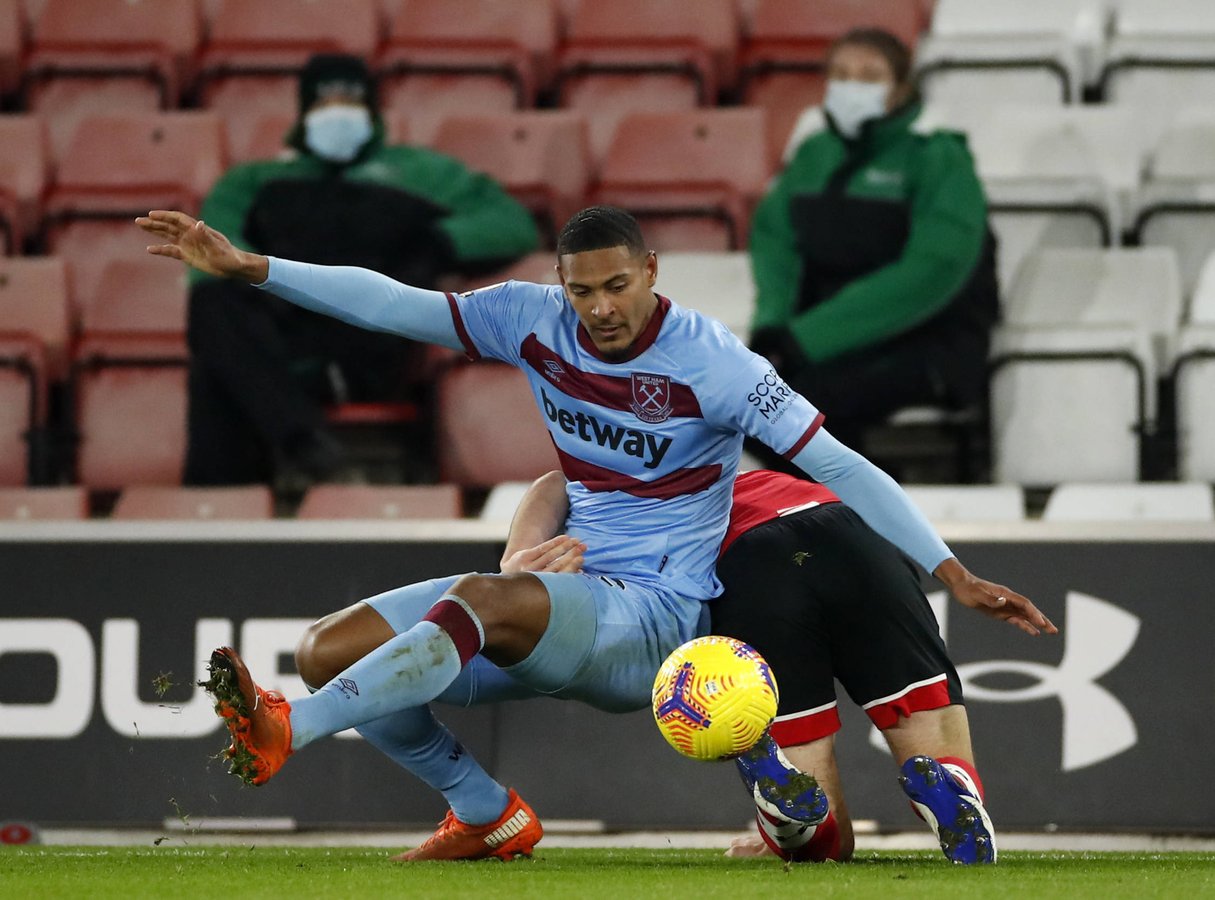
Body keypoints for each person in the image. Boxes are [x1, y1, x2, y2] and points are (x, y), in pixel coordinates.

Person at [136, 205, 1051, 863]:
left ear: (651, 272)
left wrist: (951, 569)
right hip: (567, 594)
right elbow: (392, 303)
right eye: (583, 291)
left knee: (473, 603)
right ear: (561, 285)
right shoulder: (532, 322)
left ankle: (287, 734)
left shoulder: (715, 364)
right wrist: (255, 269)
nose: (601, 308)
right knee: (327, 649)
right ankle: (485, 811)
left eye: (617, 285)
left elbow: (842, 465)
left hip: (657, 616)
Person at [501, 469, 1057, 865]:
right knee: (934, 742)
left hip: (751, 566)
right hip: (852, 533)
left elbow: (551, 484)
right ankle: (952, 785)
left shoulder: (604, 516)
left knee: (828, 844)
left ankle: (792, 820)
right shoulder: (702, 456)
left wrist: (514, 563)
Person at [185, 54, 539, 485]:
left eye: (350, 98)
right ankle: (300, 442)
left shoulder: (422, 173)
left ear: (371, 106)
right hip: (281, 341)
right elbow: (211, 252)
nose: (337, 110)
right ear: (304, 111)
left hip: (371, 338)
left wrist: (437, 241)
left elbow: (511, 223)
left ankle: (219, 519)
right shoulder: (254, 181)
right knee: (211, 303)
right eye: (324, 100)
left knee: (218, 379)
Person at [748, 28, 999, 458]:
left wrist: (806, 338)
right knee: (748, 404)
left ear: (900, 89)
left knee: (790, 408)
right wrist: (774, 324)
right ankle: (847, 512)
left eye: (868, 76)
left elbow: (931, 272)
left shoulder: (938, 158)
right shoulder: (814, 154)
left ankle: (861, 513)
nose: (851, 87)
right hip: (822, 342)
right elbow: (775, 241)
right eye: (841, 75)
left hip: (927, 343)